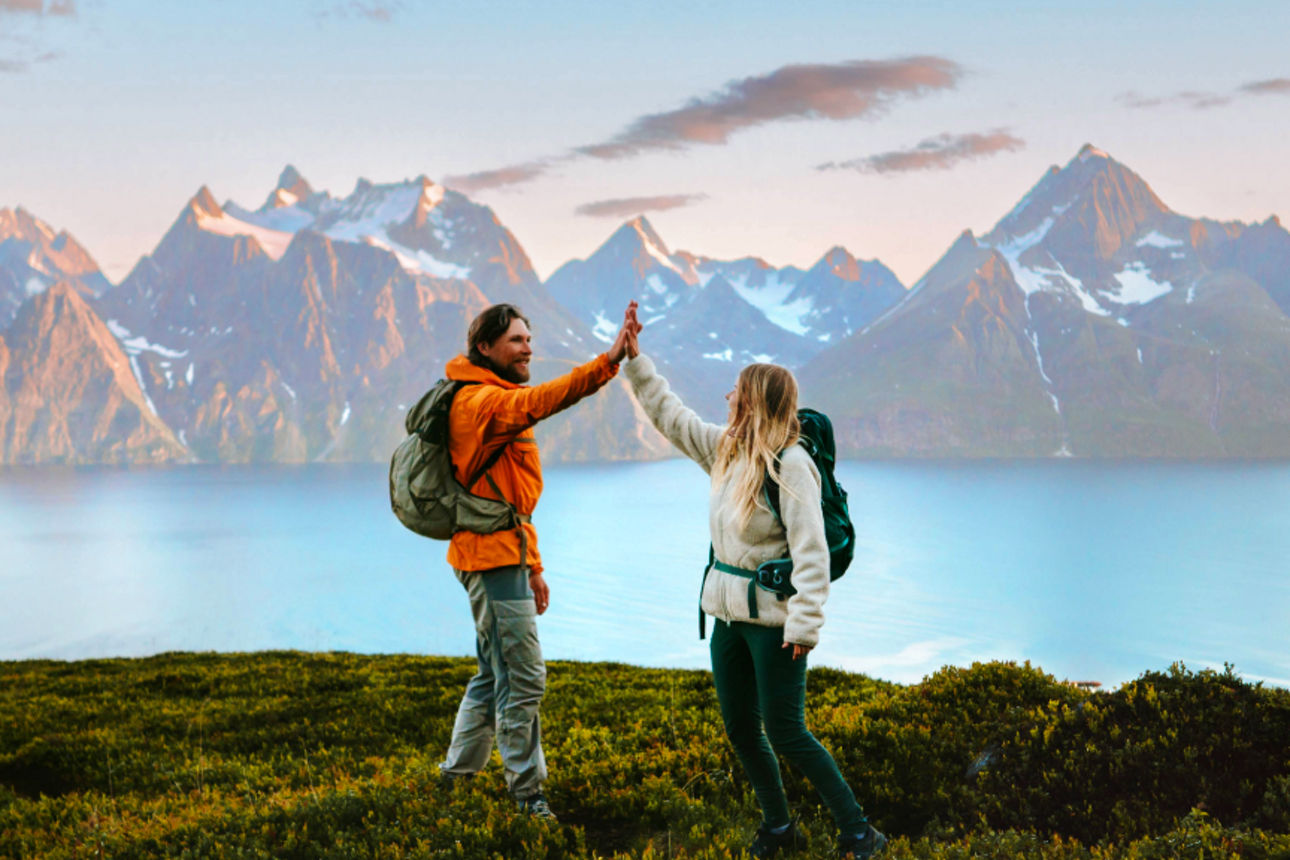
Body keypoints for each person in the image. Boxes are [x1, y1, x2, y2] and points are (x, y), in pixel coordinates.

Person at [619, 305, 886, 859]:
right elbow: (672, 417)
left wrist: (804, 627)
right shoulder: (728, 451)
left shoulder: (792, 465)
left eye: (735, 392)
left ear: (755, 401)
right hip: (728, 621)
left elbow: (812, 554)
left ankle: (860, 832)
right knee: (742, 729)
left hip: (774, 626)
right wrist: (635, 361)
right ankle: (779, 828)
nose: (726, 399)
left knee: (788, 732)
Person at [437, 301, 638, 821]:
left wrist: (535, 566)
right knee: (523, 678)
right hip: (491, 560)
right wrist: (608, 360)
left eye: (529, 339)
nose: (529, 348)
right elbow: (544, 401)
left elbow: (509, 497)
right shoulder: (483, 403)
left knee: (492, 673)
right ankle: (528, 796)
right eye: (516, 341)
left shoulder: (489, 396)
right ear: (485, 348)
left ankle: (455, 779)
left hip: (500, 553)